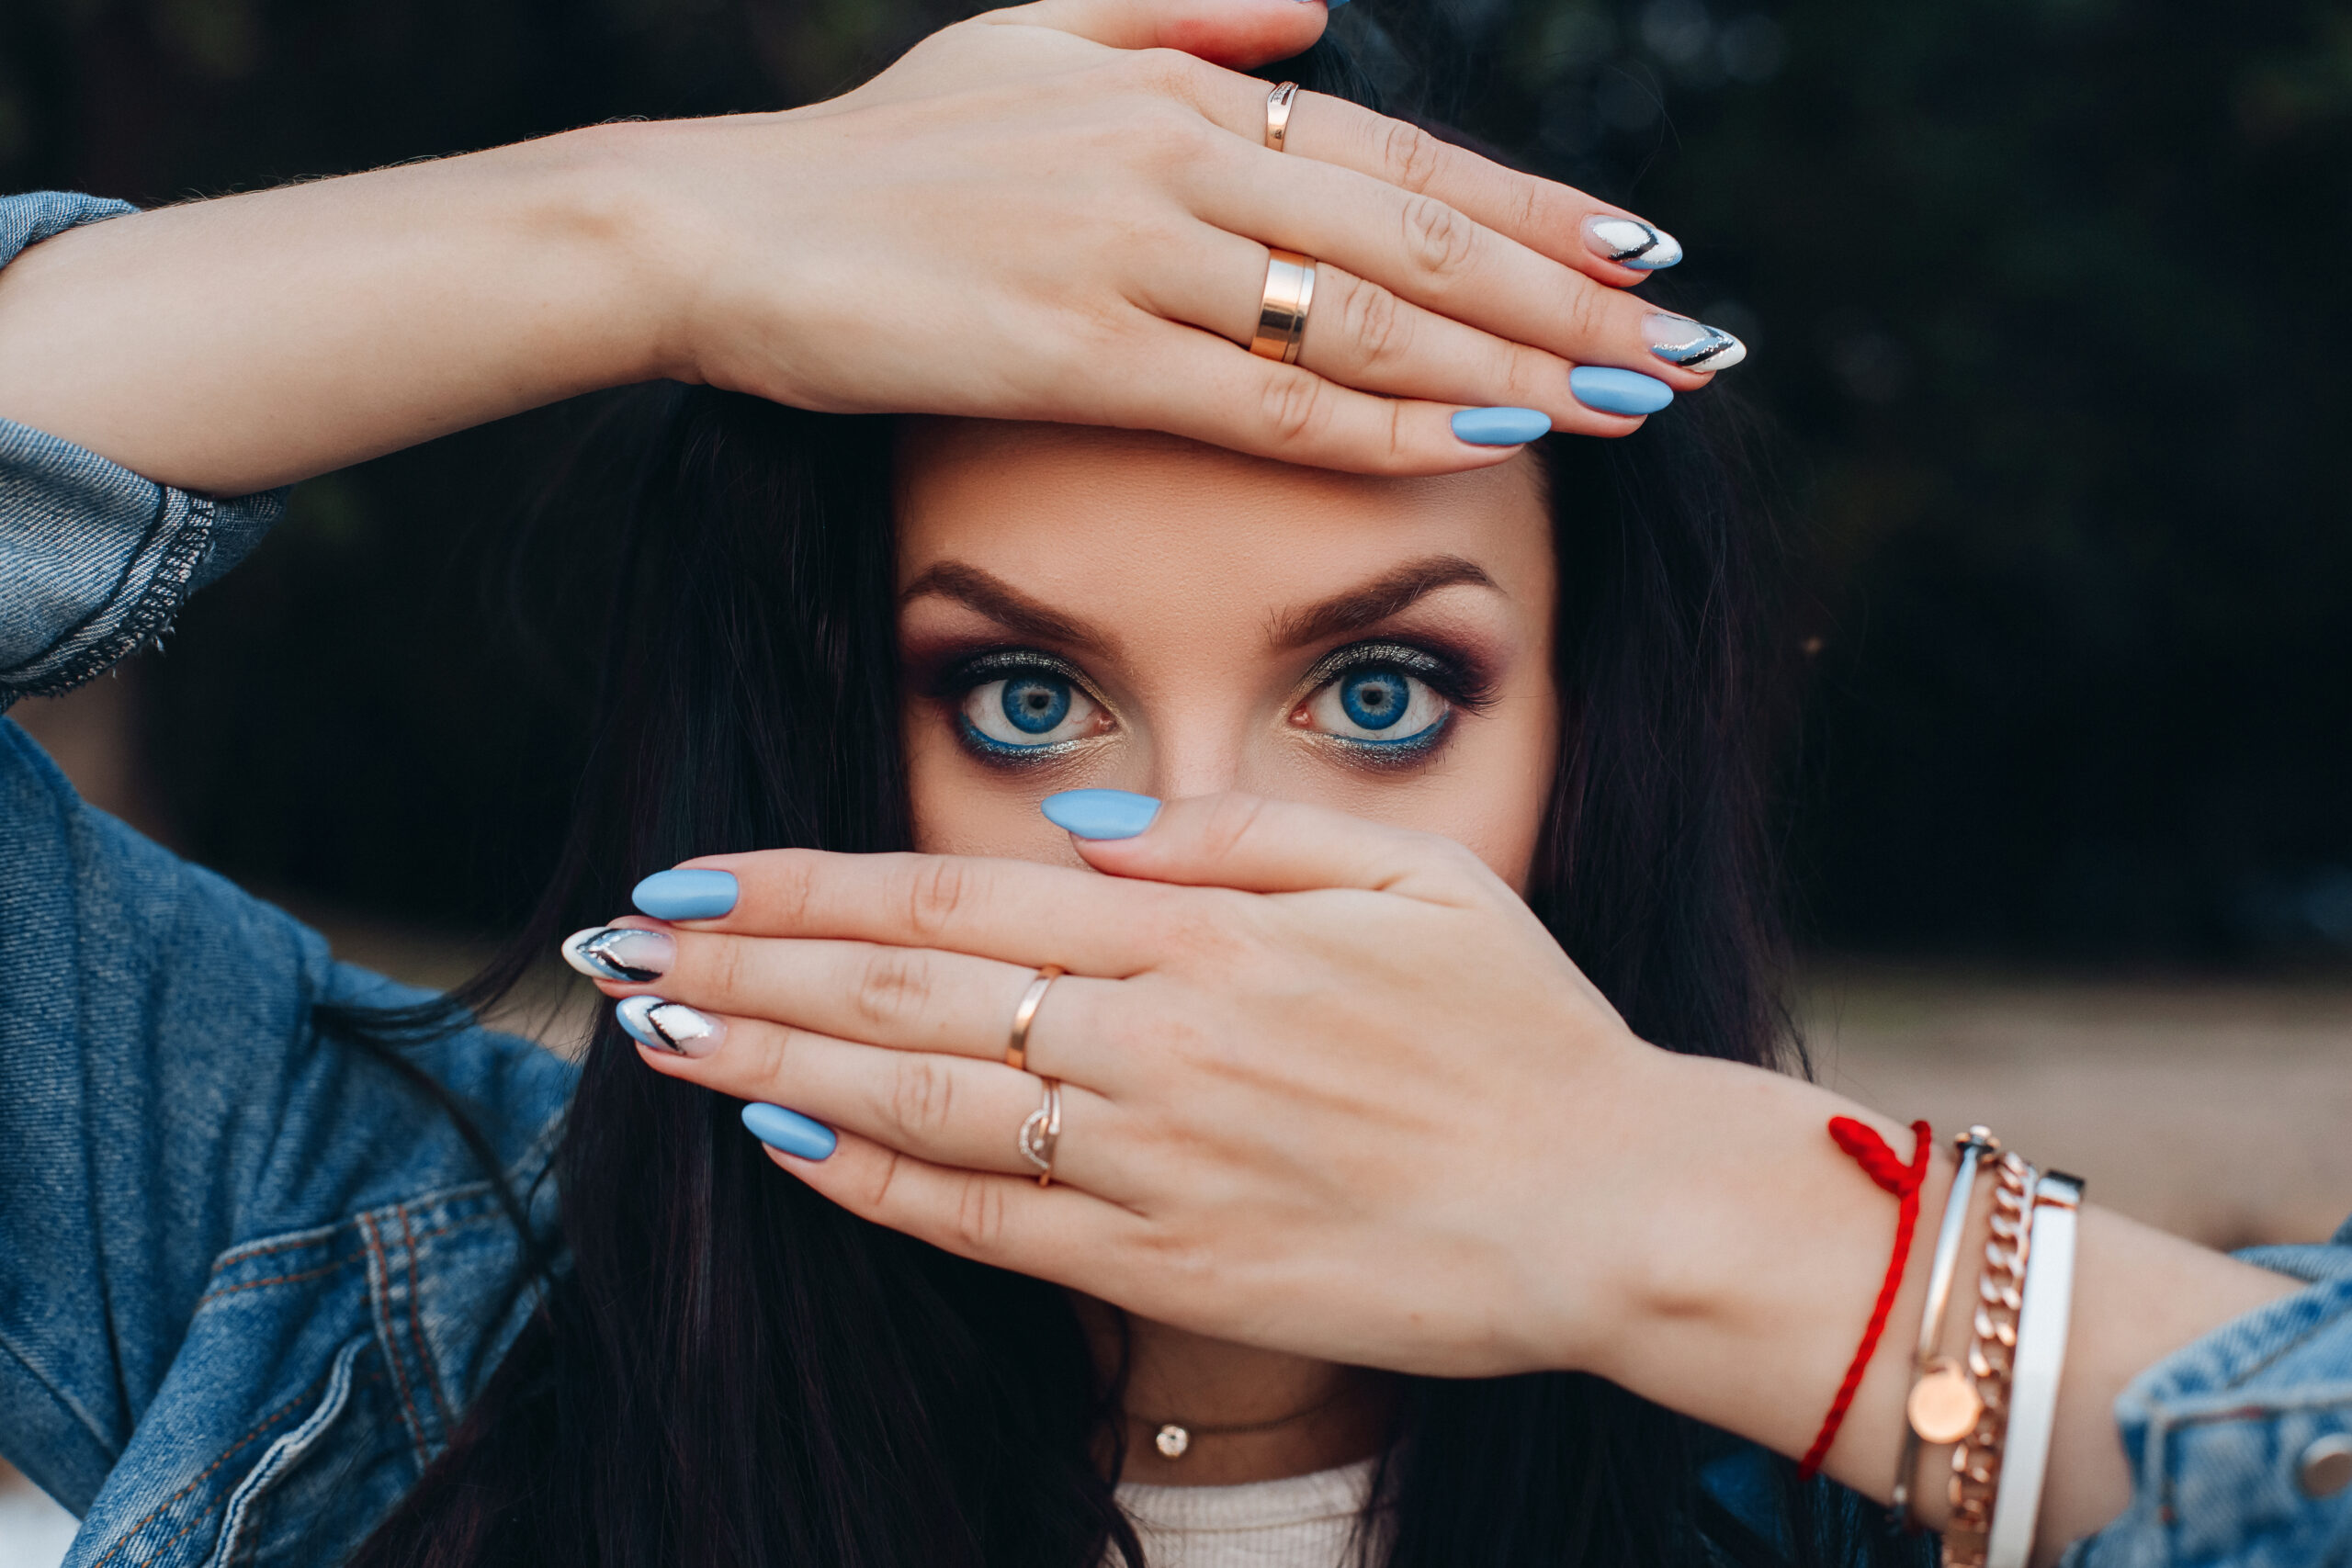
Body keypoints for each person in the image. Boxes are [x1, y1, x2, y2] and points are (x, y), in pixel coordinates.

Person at [2, 8, 2346, 1568]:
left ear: (1590, 734)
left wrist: (1690, 1221)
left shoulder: (1906, 1451)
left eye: (1385, 696)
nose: (1209, 885)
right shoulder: (349, 1294)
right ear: (835, 735)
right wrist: (642, 230)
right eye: (1023, 699)